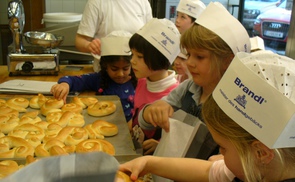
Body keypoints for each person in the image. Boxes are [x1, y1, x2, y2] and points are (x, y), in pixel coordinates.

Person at [119, 51, 295, 182]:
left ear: (261, 152)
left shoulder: (250, 166)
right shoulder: (253, 166)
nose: (217, 156)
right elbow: (207, 170)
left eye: (222, 148)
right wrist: (148, 163)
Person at [138, 2, 251, 160]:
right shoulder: (188, 88)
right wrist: (151, 111)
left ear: (227, 61)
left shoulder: (232, 107)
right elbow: (145, 122)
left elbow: (222, 165)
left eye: (199, 57)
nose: (190, 62)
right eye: (189, 54)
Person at [50, 31, 136, 123]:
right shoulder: (99, 79)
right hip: (103, 125)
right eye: (114, 69)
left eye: (125, 69)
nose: (120, 74)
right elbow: (74, 80)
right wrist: (64, 84)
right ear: (105, 66)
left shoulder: (139, 81)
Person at [129, 18, 180, 155]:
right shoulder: (142, 82)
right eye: (132, 54)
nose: (132, 61)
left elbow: (177, 140)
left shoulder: (175, 96)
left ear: (159, 59)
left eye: (139, 56)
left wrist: (160, 145)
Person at [75, 0, 153, 72]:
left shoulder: (143, 2)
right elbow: (80, 40)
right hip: (106, 72)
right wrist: (89, 45)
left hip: (137, 72)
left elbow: (150, 37)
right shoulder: (96, 3)